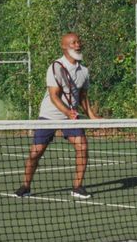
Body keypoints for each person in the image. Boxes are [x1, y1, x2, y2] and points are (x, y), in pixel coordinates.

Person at [16, 32, 101, 199]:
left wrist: (92, 116)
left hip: (70, 118)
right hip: (49, 116)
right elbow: (54, 96)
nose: (78, 45)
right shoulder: (55, 67)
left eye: (79, 42)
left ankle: (77, 187)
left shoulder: (84, 71)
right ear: (64, 47)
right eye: (73, 43)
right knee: (36, 153)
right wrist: (67, 112)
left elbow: (83, 96)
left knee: (82, 147)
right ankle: (25, 186)